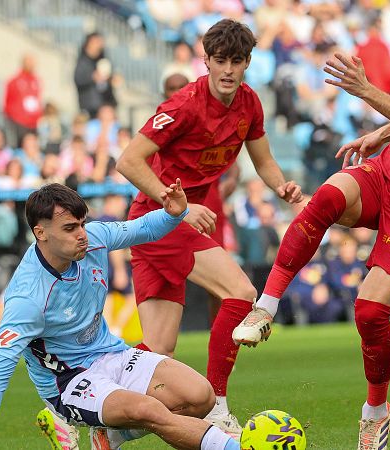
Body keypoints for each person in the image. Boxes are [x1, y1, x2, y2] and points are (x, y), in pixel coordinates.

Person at [232, 1, 390, 448]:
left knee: (370, 311)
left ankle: (375, 411)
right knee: (326, 198)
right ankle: (265, 307)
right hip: (386, 171)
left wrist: (366, 92)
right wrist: (381, 134)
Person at [116, 19, 303, 437]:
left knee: (157, 351)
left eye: (237, 61)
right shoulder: (183, 105)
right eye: (220, 61)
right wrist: (178, 207)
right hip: (159, 221)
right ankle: (217, 405)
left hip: (168, 222)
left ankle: (96, 415)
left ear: (248, 62)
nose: (228, 70)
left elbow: (264, 161)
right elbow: (128, 161)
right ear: (206, 61)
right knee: (240, 291)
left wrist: (282, 187)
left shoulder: (250, 103)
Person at [0, 182, 242, 450]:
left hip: (113, 353)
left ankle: (111, 437)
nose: (82, 234)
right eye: (70, 228)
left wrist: (174, 212)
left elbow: (141, 228)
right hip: (68, 381)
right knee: (150, 411)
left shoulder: (93, 239)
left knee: (201, 397)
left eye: (82, 224)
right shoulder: (27, 298)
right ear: (41, 233)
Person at [4, 54, 43, 143]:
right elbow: (8, 101)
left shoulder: (36, 81)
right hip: (20, 122)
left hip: (34, 122)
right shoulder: (15, 81)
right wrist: (14, 117)